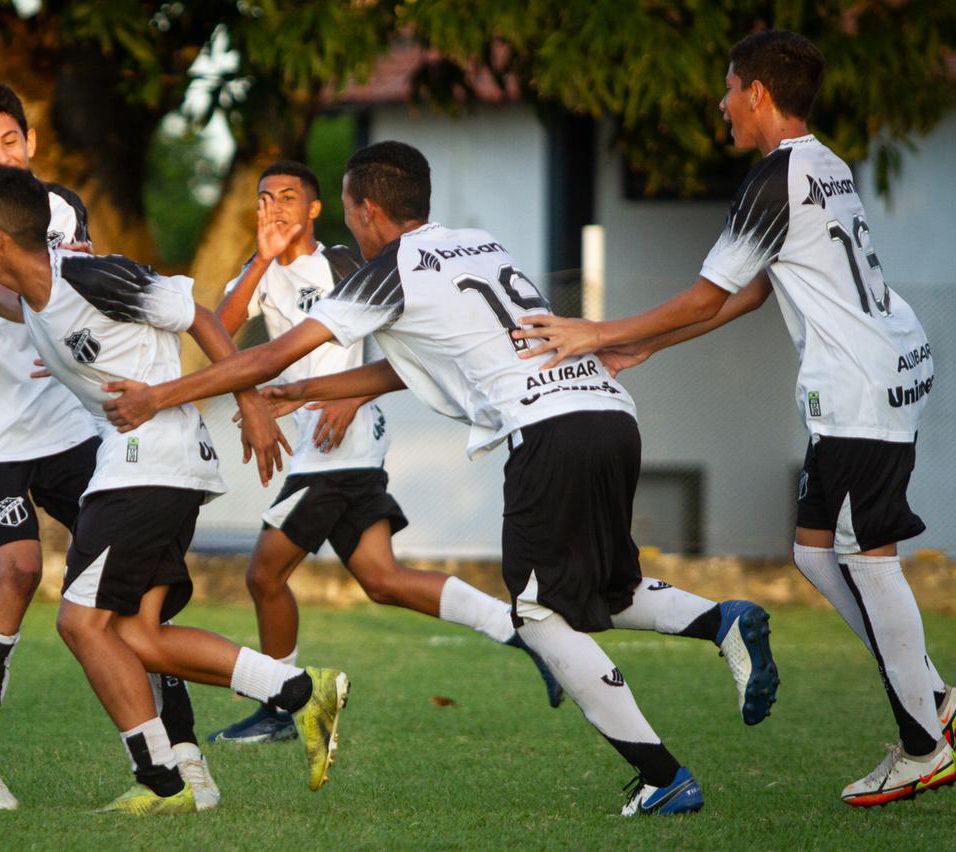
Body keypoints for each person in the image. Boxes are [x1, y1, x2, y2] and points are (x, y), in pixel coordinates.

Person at [101, 140, 781, 816]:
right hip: (606, 414)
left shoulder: (387, 269)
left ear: (367, 210)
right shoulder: (478, 245)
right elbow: (416, 365)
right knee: (608, 589)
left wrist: (160, 396)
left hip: (551, 434)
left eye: (347, 210)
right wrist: (304, 394)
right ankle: (722, 619)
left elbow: (272, 353)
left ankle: (662, 775)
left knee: (539, 615)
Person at [515, 31, 954, 808]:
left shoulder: (774, 179)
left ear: (756, 92)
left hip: (859, 389)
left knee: (867, 556)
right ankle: (934, 698)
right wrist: (647, 345)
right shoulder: (826, 165)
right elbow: (746, 294)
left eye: (727, 89)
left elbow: (706, 294)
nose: (720, 105)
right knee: (816, 554)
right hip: (884, 370)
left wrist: (600, 333)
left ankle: (924, 744)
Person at [0, 164, 349, 815]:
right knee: (140, 636)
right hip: (159, 470)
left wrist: (247, 402)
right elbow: (20, 305)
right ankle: (301, 693)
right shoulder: (35, 295)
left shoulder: (94, 275)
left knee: (81, 623)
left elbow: (197, 316)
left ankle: (163, 781)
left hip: (146, 466)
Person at [207, 160, 562, 745]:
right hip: (323, 443)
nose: (275, 208)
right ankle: (518, 629)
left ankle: (281, 706)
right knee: (381, 578)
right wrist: (262, 258)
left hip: (339, 440)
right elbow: (218, 334)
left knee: (265, 574)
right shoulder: (260, 273)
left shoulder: (345, 260)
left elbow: (383, 321)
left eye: (288, 197)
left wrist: (347, 393)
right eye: (265, 198)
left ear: (315, 209)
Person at [0, 82, 218, 810]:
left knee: (134, 581)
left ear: (30, 143)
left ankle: (180, 755)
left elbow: (76, 280)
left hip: (67, 424)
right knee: (22, 569)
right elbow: (1, 289)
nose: (0, 156)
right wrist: (33, 298)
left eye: (9, 142)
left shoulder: (60, 210)